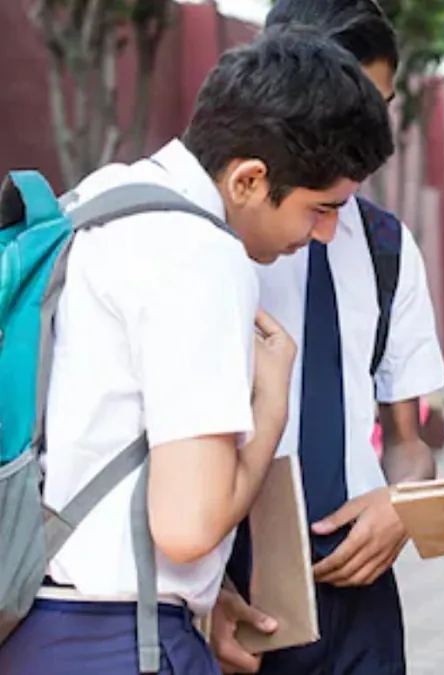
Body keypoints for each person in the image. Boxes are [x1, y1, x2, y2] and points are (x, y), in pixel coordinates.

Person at [0, 27, 394, 675]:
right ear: (248, 179)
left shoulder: (104, 200)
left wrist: (209, 592)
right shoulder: (202, 253)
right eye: (320, 208)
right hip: (117, 639)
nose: (325, 234)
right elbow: (187, 525)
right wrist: (270, 406)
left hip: (39, 618)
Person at [207, 2, 444, 674]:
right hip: (227, 591)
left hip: (359, 595)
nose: (368, 137)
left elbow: (408, 437)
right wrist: (207, 586)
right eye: (348, 108)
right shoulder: (205, 245)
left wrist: (401, 504)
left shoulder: (383, 247)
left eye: (379, 106)